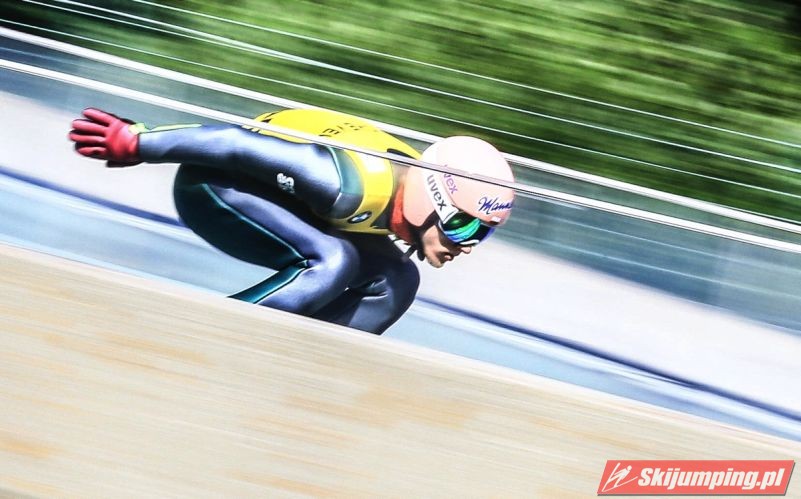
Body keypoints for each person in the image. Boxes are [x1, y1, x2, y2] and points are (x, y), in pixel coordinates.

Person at [69, 107, 515, 334]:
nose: (468, 244)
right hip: (213, 186)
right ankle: (207, 335)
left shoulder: (406, 189)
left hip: (286, 202)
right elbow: (233, 144)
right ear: (430, 199)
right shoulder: (347, 186)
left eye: (483, 233)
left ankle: (301, 369)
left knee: (397, 280)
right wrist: (136, 143)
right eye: (464, 225)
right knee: (333, 261)